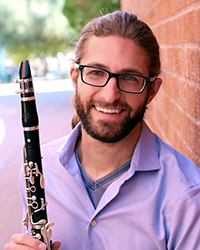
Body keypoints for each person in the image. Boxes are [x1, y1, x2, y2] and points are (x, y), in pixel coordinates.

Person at [4, 11, 200, 250]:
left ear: (152, 91)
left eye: (129, 77)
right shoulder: (42, 171)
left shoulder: (187, 196)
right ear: (75, 78)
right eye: (96, 72)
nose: (110, 95)